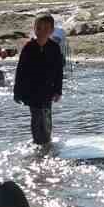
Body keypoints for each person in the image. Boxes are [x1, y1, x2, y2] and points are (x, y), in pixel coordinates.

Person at [14, 14, 65, 146]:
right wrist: (17, 92)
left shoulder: (54, 47)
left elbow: (59, 71)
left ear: (52, 30)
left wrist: (58, 90)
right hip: (31, 89)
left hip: (48, 89)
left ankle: (47, 140)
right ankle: (37, 142)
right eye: (39, 28)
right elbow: (20, 70)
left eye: (46, 28)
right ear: (34, 29)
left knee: (46, 116)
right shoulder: (28, 47)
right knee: (36, 116)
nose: (42, 31)